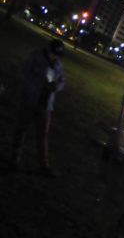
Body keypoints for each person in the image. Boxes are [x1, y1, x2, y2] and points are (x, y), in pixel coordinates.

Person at [9, 39, 65, 177]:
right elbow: (24, 72)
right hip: (31, 99)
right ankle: (15, 159)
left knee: (43, 135)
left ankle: (43, 165)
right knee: (22, 129)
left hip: (46, 104)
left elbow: (61, 80)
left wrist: (55, 87)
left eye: (57, 55)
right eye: (53, 53)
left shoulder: (57, 63)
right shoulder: (36, 56)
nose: (54, 56)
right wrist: (35, 86)